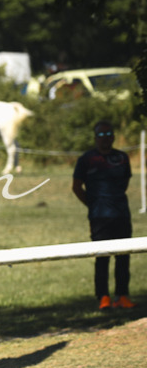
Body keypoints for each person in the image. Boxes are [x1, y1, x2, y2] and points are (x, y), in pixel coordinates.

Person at [71, 121, 136, 310]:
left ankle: (122, 296)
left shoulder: (122, 158)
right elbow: (76, 187)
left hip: (121, 214)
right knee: (102, 257)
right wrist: (92, 205)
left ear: (113, 136)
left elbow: (124, 184)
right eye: (100, 135)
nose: (105, 138)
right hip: (99, 216)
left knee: (123, 257)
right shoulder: (87, 159)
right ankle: (103, 297)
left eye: (108, 134)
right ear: (95, 138)